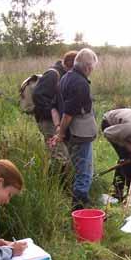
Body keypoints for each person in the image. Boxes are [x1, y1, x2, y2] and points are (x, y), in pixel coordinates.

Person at [50, 48, 99, 210]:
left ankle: (79, 204)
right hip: (79, 134)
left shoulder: (65, 78)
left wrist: (60, 131)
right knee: (84, 172)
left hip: (72, 134)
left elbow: (55, 107)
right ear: (87, 67)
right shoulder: (81, 83)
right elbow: (69, 113)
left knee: (79, 169)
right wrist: (61, 132)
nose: (92, 70)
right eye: (92, 67)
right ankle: (79, 207)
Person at [32, 51, 77, 170]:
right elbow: (38, 96)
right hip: (48, 122)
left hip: (58, 122)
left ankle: (55, 184)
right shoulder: (53, 74)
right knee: (61, 157)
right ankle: (58, 187)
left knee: (60, 156)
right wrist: (53, 113)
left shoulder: (66, 74)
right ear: (69, 64)